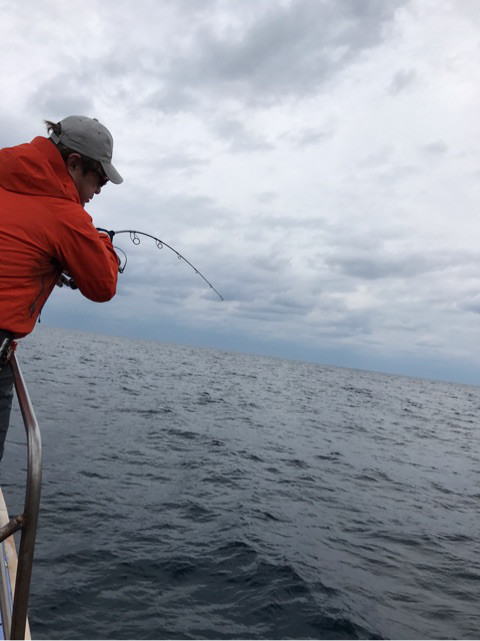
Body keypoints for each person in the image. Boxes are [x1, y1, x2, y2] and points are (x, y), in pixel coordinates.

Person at [0, 115, 123, 460]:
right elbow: (103, 285)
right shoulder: (67, 216)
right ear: (73, 164)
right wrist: (103, 241)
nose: (100, 190)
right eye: (100, 178)